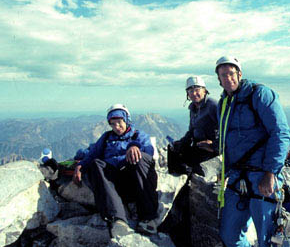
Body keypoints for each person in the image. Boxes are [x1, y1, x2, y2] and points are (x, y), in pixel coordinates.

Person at [214, 56, 290, 247]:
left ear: (239, 74)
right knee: (229, 235)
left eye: (231, 73)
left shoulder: (260, 94)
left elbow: (280, 133)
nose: (228, 79)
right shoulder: (223, 104)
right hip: (237, 178)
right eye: (223, 75)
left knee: (269, 238)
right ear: (218, 79)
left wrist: (271, 172)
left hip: (262, 176)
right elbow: (227, 139)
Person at [74, 104, 158, 237]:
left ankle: (148, 217)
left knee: (140, 158)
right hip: (115, 185)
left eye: (119, 122)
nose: (116, 127)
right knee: (96, 164)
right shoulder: (107, 137)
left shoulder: (138, 135)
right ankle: (118, 220)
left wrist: (134, 146)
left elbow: (149, 150)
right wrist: (81, 165)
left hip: (136, 182)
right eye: (112, 124)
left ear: (127, 120)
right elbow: (93, 153)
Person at [169, 75, 219, 175]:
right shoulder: (193, 108)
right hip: (199, 145)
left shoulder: (213, 105)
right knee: (173, 149)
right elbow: (192, 130)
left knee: (195, 166)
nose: (194, 93)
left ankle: (193, 177)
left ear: (204, 90)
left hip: (211, 148)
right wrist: (182, 142)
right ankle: (181, 176)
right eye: (190, 91)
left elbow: (224, 127)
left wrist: (214, 144)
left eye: (197, 89)